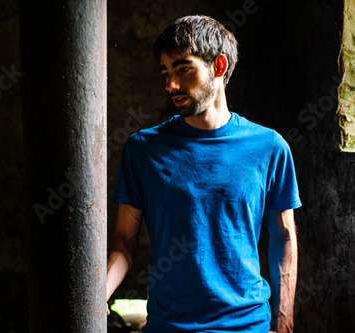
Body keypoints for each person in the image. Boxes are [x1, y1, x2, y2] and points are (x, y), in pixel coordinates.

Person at [106, 15, 301, 333]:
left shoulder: (269, 147)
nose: (171, 85)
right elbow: (124, 238)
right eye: (166, 73)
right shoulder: (143, 148)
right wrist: (98, 292)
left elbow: (284, 237)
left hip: (248, 323)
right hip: (168, 323)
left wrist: (284, 320)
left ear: (219, 66)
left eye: (183, 69)